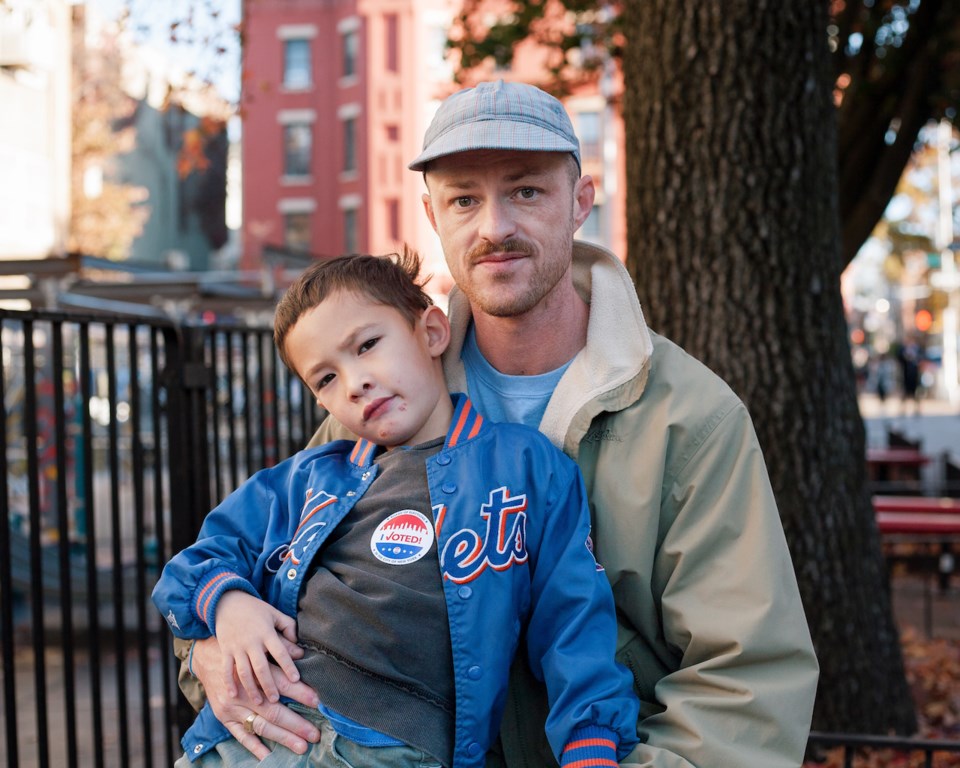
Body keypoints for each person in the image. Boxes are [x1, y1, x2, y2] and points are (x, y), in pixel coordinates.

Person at [180, 80, 819, 767]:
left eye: (526, 191)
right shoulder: (383, 405)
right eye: (464, 199)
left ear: (580, 202)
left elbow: (745, 685)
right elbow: (266, 566)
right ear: (434, 216)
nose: (493, 227)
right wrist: (209, 651)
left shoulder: (689, 418)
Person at [153, 251, 641, 767]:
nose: (355, 382)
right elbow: (195, 562)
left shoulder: (525, 467)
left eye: (367, 346)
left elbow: (574, 620)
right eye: (326, 379)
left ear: (431, 332)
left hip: (397, 751)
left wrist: (591, 748)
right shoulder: (308, 478)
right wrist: (228, 605)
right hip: (255, 737)